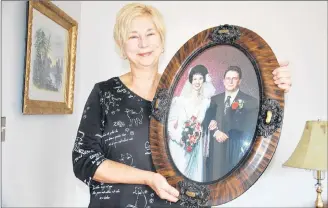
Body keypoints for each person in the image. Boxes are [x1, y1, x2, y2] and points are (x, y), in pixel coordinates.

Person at [72, 2, 292, 208]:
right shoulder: (104, 93)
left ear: (161, 41)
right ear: (121, 46)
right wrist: (148, 178)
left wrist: (272, 84)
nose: (143, 43)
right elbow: (83, 160)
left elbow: (241, 122)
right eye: (133, 36)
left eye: (150, 34)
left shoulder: (179, 91)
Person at [203, 66, 260, 181]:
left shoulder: (251, 101)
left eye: (234, 78)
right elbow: (206, 120)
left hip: (236, 149)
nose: (230, 81)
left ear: (239, 81)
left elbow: (250, 127)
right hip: (216, 150)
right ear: (223, 81)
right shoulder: (214, 100)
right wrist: (215, 130)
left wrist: (228, 135)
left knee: (233, 183)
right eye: (228, 78)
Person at [167, 65, 215, 182]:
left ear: (204, 80)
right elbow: (169, 126)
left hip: (196, 146)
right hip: (179, 145)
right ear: (190, 81)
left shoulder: (206, 103)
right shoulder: (179, 101)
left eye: (200, 78)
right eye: (195, 79)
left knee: (194, 178)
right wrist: (182, 139)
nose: (197, 82)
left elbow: (210, 118)